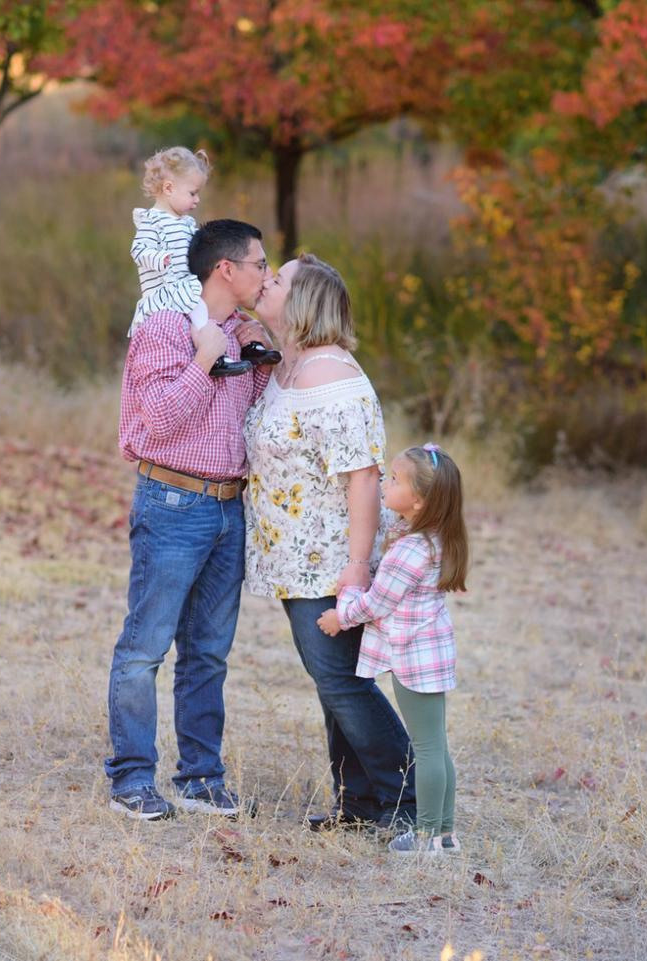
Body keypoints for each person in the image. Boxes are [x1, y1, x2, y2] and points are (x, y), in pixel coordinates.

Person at [105, 218, 276, 821]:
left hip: (231, 507)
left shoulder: (245, 334)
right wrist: (205, 360)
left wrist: (259, 353)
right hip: (174, 503)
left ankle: (200, 778)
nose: (267, 273)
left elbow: (259, 419)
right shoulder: (167, 330)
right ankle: (131, 780)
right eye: (259, 263)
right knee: (145, 648)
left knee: (208, 653)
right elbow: (159, 423)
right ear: (226, 269)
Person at [244, 254, 417, 833]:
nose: (266, 283)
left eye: (278, 280)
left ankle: (406, 804)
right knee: (336, 684)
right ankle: (359, 806)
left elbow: (363, 477)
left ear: (304, 302)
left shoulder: (334, 377)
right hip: (297, 561)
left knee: (343, 683)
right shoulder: (291, 366)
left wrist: (357, 567)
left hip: (330, 563)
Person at [318, 444, 469, 855]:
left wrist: (342, 608)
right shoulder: (433, 541)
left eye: (395, 480)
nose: (385, 482)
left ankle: (426, 838)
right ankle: (445, 834)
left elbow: (376, 604)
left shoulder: (409, 551)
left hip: (414, 660)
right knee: (436, 745)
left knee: (427, 749)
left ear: (419, 501)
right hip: (431, 654)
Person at [128, 147, 279, 376]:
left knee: (229, 311)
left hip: (187, 284)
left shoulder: (187, 223)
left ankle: (251, 346)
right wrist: (160, 258)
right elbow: (138, 250)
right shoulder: (151, 221)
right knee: (202, 315)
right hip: (167, 290)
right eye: (192, 193)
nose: (197, 200)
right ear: (169, 188)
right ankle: (214, 357)